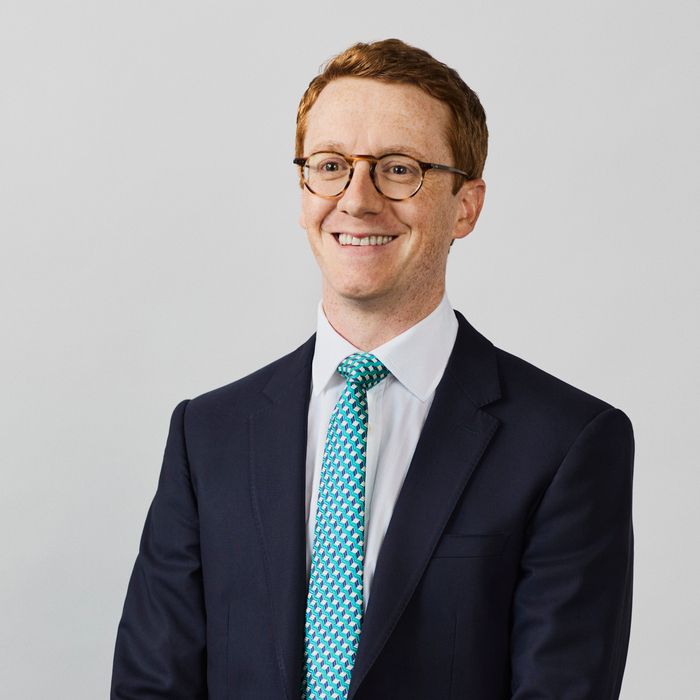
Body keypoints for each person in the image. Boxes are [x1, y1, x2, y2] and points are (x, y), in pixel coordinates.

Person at [111, 38, 635, 699]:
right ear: (303, 190)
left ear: (466, 206)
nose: (357, 199)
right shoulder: (208, 435)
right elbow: (151, 688)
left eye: (399, 168)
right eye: (331, 165)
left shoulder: (566, 443)